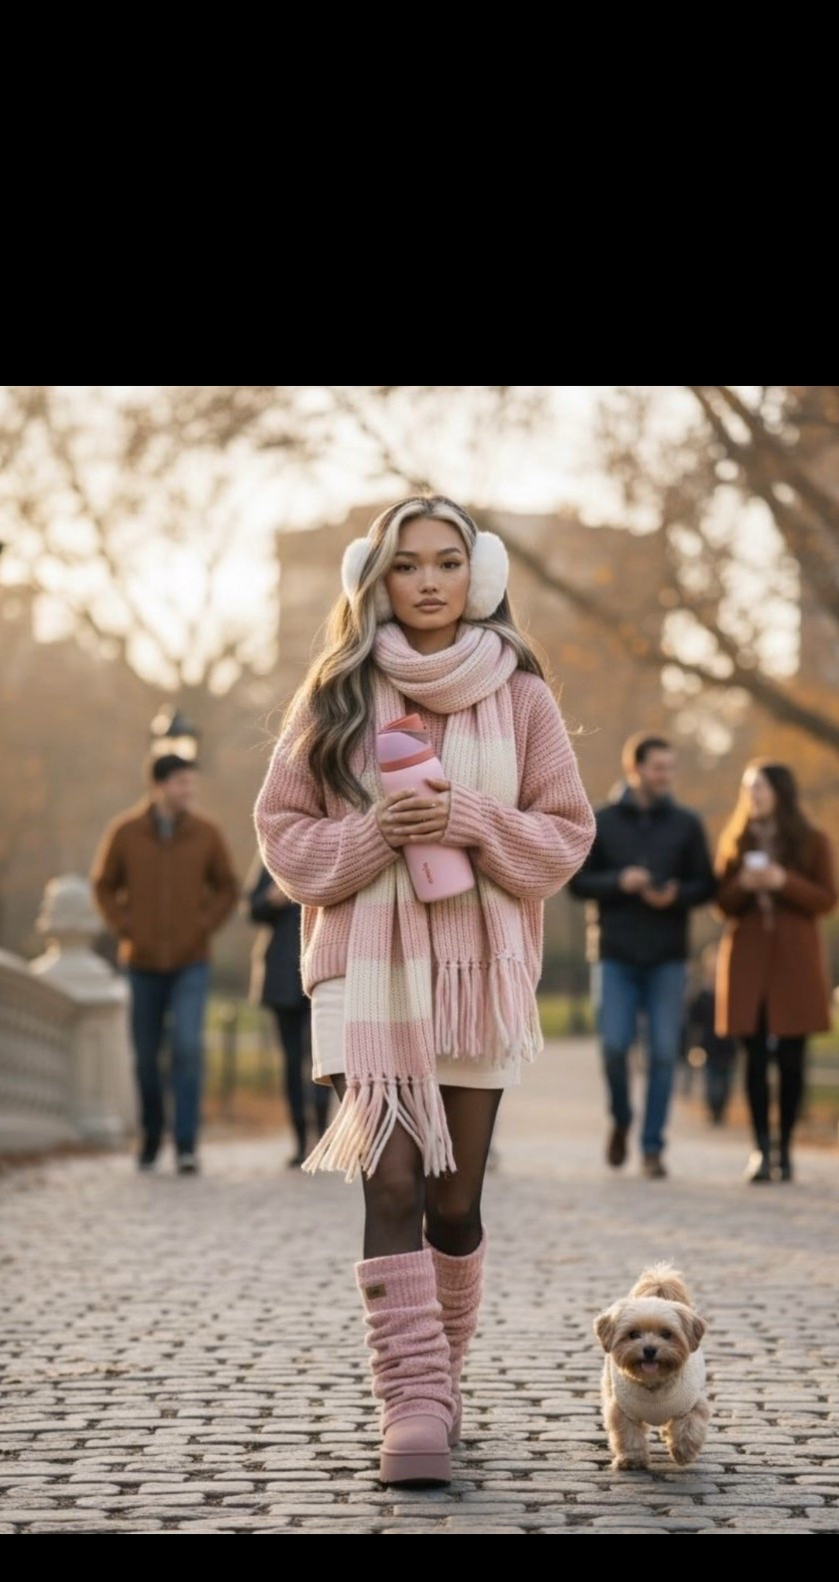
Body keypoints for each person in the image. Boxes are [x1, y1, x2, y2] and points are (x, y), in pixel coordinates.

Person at [254, 494, 595, 1487]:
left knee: (453, 1201)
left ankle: (444, 1376)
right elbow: (283, 838)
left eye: (450, 562)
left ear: (478, 575)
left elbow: (566, 835)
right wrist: (373, 838)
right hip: (364, 975)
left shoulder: (522, 696)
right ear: (378, 576)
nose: (432, 580)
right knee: (393, 1183)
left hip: (475, 982)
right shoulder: (336, 695)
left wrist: (472, 820)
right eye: (411, 565)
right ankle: (410, 1406)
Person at [568, 732, 715, 1177]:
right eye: (658, 768)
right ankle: (621, 1119)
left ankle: (652, 1148)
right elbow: (576, 882)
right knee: (614, 1047)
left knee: (664, 1053)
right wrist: (619, 882)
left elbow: (707, 885)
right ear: (635, 769)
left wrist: (676, 895)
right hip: (614, 955)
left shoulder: (687, 824)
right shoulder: (602, 820)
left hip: (668, 957)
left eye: (670, 768)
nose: (665, 776)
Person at [91, 752, 239, 1173]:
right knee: (145, 1055)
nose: (188, 790)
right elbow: (103, 885)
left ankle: (187, 1144)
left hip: (192, 960)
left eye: (191, 783)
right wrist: (127, 927)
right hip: (141, 962)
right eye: (180, 783)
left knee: (188, 1049)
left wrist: (202, 926)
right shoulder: (125, 832)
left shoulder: (207, 834)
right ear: (158, 786)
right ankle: (153, 1133)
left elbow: (228, 887)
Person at [713, 761, 839, 1184]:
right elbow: (721, 904)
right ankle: (759, 1149)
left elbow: (827, 899)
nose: (754, 795)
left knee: (791, 1058)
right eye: (749, 788)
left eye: (761, 788)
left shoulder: (812, 841)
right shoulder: (734, 840)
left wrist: (783, 880)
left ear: (781, 792)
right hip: (747, 961)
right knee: (751, 1059)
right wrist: (744, 887)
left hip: (794, 962)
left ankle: (785, 1147)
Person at [245, 857, 331, 1169]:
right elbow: (252, 909)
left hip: (323, 967)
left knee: (324, 1059)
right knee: (292, 1062)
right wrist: (271, 899)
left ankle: (322, 1138)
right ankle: (299, 1141)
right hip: (282, 974)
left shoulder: (330, 848)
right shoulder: (273, 852)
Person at [684, 943, 737, 1125]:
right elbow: (694, 1018)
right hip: (709, 1045)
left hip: (728, 1047)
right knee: (711, 1080)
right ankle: (713, 1109)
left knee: (726, 1082)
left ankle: (721, 1109)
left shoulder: (731, 994)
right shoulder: (702, 995)